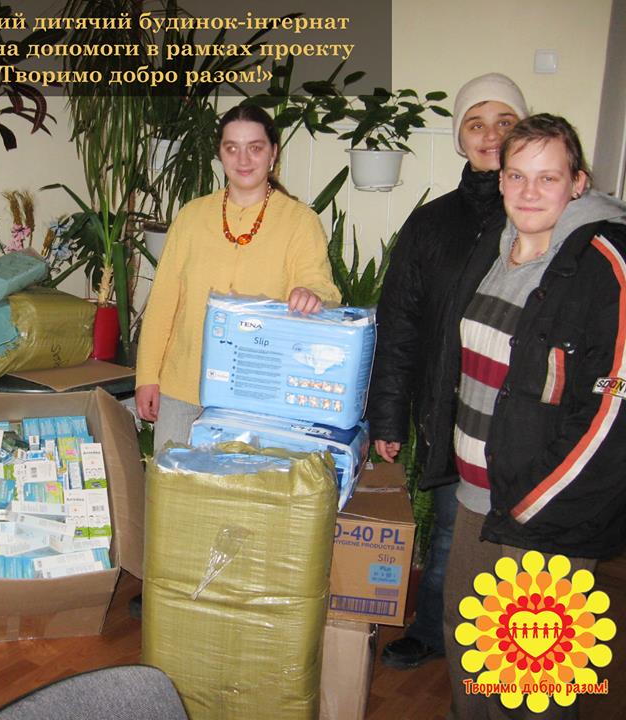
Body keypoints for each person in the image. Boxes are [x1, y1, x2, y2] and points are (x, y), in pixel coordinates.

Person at [424, 114, 626, 719]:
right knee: (469, 649)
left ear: (578, 183)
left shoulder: (602, 269)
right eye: (516, 175)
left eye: (548, 177)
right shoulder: (495, 246)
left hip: (543, 508)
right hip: (475, 496)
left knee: (531, 684)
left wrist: (535, 504)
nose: (529, 192)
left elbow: (611, 409)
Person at [367, 73, 528, 669]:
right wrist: (388, 417)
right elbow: (400, 325)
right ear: (460, 138)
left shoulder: (545, 218)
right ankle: (436, 631)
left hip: (526, 419)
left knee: (524, 545)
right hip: (453, 412)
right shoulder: (430, 225)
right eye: (475, 124)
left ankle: (514, 651)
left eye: (505, 122)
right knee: (451, 531)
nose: (490, 135)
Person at [136, 104, 341, 451]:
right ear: (220, 153)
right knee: (172, 483)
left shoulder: (299, 221)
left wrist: (311, 293)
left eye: (255, 148)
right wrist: (146, 377)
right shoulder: (191, 217)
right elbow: (163, 303)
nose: (243, 159)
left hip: (258, 393)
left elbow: (320, 284)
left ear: (273, 153)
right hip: (182, 388)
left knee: (240, 486)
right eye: (232, 148)